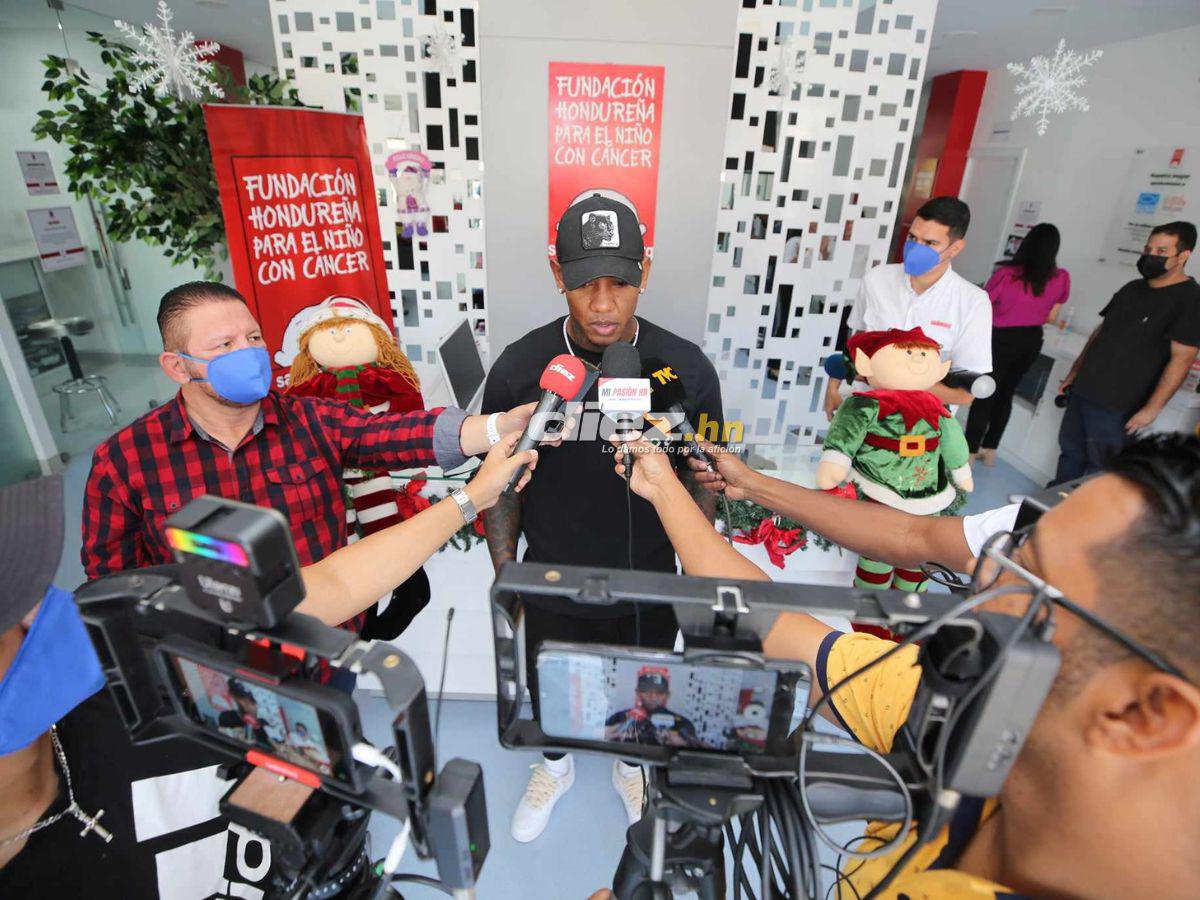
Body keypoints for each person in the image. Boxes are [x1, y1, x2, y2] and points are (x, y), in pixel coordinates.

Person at [619, 432, 1200, 899]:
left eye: (1023, 580)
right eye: (1003, 553)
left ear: (1145, 713)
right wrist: (665, 491)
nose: (975, 589)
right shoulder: (961, 707)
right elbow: (775, 623)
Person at [1, 433, 536, 896]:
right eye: (6, 618)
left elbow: (331, 588)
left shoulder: (132, 630)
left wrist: (473, 497)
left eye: (33, 588)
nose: (41, 613)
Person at [82, 281, 538, 631]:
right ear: (177, 366)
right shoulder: (124, 461)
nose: (249, 353)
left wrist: (498, 426)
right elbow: (115, 587)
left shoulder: (310, 417)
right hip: (212, 661)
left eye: (254, 337)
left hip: (328, 641)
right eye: (224, 346)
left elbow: (391, 433)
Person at [481, 189, 724, 842]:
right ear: (558, 275)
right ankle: (555, 767)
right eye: (587, 285)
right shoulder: (520, 367)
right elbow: (500, 485)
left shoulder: (686, 369)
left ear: (644, 269)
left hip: (649, 578)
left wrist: (695, 570)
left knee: (641, 699)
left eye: (621, 283)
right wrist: (509, 575)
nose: (604, 305)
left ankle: (628, 765)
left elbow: (704, 476)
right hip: (552, 576)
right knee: (550, 687)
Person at [1052, 221, 1200, 484]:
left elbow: (1183, 358)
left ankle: (1082, 523)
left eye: (1161, 251)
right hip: (1085, 390)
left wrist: (1152, 409)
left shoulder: (1189, 300)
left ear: (1183, 256)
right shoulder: (1132, 288)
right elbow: (1101, 332)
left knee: (1099, 470)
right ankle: (1047, 514)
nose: (1150, 256)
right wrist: (1075, 372)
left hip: (1120, 405)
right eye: (1148, 248)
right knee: (1070, 454)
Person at [826, 197, 992, 417]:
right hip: (861, 408)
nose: (916, 248)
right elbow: (855, 344)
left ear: (955, 248)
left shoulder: (973, 302)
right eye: (913, 237)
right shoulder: (877, 279)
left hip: (922, 424)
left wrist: (892, 380)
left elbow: (965, 395)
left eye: (930, 243)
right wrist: (832, 386)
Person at [965, 223, 1070, 464]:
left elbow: (982, 306)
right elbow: (1052, 317)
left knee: (985, 393)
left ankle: (969, 453)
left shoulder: (1006, 274)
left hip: (1000, 339)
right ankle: (990, 450)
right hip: (1032, 340)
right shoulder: (1061, 277)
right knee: (1006, 394)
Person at [604, 667, 699, 748]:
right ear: (638, 692)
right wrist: (619, 731)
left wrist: (680, 742)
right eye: (646, 690)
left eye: (659, 692)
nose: (652, 696)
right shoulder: (621, 717)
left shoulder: (682, 723)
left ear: (667, 695)